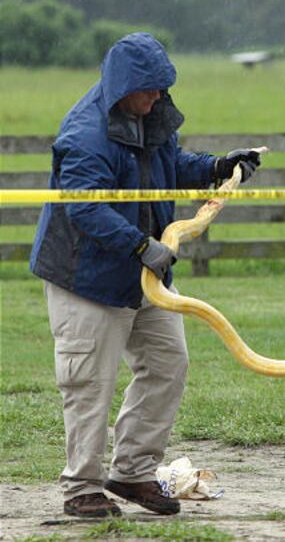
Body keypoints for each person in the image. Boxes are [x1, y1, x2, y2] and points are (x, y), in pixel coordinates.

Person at [29, 32, 262, 518]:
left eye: (163, 88)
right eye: (150, 88)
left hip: (145, 276)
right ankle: (82, 489)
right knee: (89, 381)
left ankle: (132, 472)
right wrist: (141, 244)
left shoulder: (148, 116)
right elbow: (85, 209)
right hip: (86, 279)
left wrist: (218, 166)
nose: (159, 97)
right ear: (123, 87)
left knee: (167, 364)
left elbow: (169, 164)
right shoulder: (85, 134)